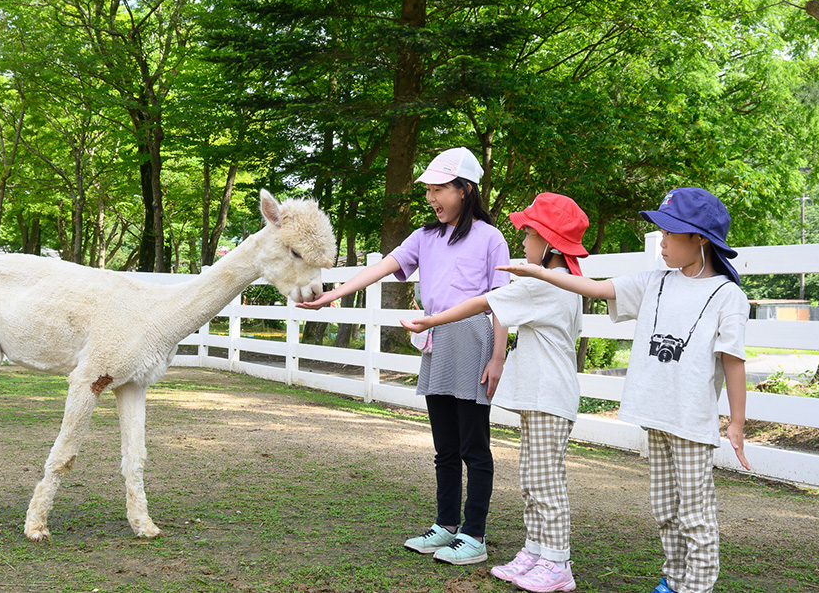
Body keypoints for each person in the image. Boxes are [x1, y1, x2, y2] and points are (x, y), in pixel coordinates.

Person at [496, 187, 751, 593]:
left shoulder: (727, 296)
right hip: (656, 415)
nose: (662, 242)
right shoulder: (655, 282)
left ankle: (696, 586)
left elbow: (733, 359)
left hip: (691, 421)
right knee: (665, 509)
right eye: (661, 233)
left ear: (700, 239)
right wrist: (542, 273)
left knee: (696, 514)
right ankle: (673, 580)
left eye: (670, 234)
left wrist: (736, 422)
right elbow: (597, 289)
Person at [298, 147, 509, 565]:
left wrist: (498, 357)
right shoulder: (425, 237)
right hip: (436, 340)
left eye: (439, 189)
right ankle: (446, 525)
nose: (432, 198)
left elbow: (502, 301)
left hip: (473, 341)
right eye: (429, 190)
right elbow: (381, 268)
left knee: (474, 445)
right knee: (445, 446)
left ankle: (475, 535)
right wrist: (333, 294)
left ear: (465, 190)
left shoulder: (491, 238)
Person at [401, 192, 589, 593]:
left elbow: (485, 302)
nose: (522, 241)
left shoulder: (543, 287)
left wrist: (432, 320)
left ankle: (557, 562)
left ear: (550, 243)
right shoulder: (562, 284)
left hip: (548, 395)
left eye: (530, 234)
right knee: (534, 480)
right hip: (541, 396)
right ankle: (536, 552)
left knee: (545, 484)